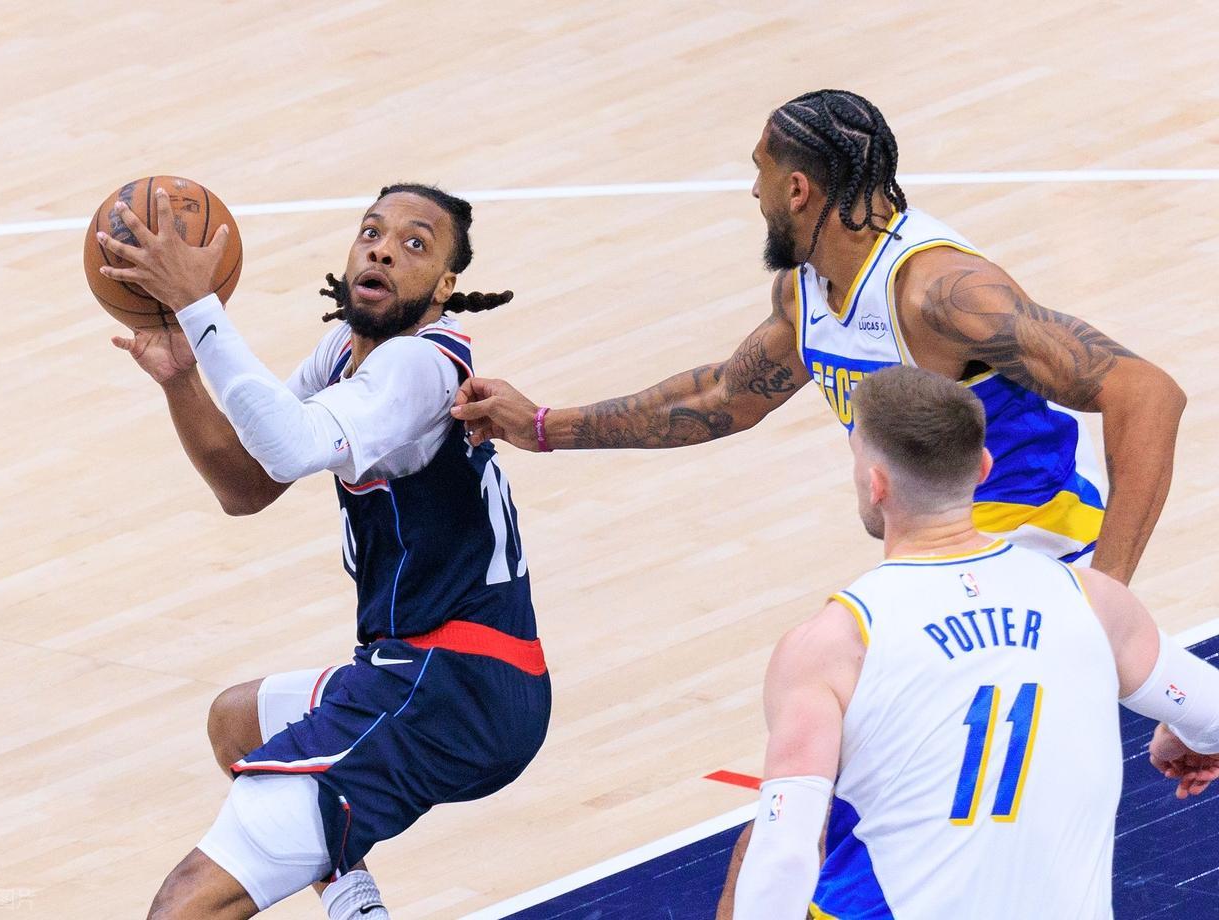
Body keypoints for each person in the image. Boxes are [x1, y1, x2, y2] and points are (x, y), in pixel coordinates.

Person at [452, 88, 1185, 582]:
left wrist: (1109, 589)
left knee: (838, 702)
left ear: (798, 189)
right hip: (940, 553)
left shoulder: (940, 291)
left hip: (1034, 547)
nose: (754, 192)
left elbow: (1147, 392)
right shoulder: (805, 291)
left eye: (761, 174)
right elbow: (723, 397)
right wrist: (543, 426)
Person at [98, 184, 550, 920]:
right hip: (434, 674)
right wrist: (182, 378)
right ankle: (355, 906)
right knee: (238, 721)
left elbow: (291, 444)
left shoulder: (421, 369)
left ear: (444, 287)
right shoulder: (346, 352)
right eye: (372, 232)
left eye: (414, 243)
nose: (382, 250)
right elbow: (249, 484)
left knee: (184, 906)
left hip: (451, 689)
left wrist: (199, 306)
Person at [731, 365, 1219, 919]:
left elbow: (784, 852)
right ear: (984, 467)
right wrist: (1185, 734)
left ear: (875, 482)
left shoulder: (830, 645)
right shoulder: (1095, 601)